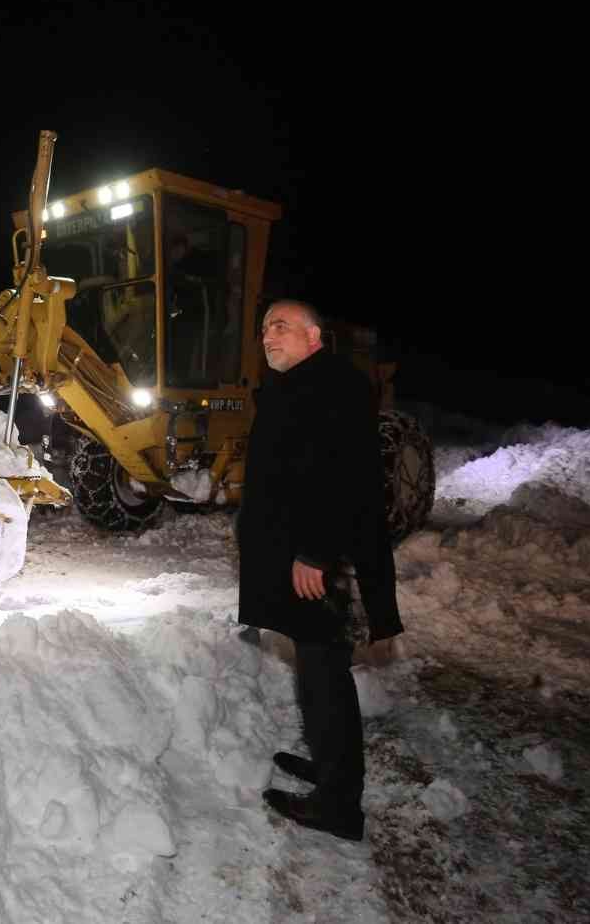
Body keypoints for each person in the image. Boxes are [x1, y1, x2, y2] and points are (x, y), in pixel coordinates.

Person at [235, 299, 403, 841]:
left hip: (316, 559)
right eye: (264, 329)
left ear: (314, 336)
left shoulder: (333, 384)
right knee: (315, 670)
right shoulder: (302, 384)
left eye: (280, 326)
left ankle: (338, 805)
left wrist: (316, 551)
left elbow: (346, 476)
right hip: (300, 554)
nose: (268, 336)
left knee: (325, 673)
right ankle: (330, 767)